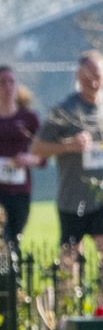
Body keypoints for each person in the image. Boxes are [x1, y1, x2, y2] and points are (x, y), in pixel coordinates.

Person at [35, 52, 103, 280]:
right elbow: (37, 149)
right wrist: (69, 145)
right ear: (78, 75)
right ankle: (67, 311)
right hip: (72, 198)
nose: (94, 83)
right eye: (88, 78)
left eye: (98, 77)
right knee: (70, 263)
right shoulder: (63, 110)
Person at [0, 67, 38, 250]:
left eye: (11, 82)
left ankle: (13, 278)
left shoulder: (29, 118)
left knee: (14, 240)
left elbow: (43, 155)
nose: (7, 87)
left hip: (20, 190)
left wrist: (27, 159)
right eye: (2, 82)